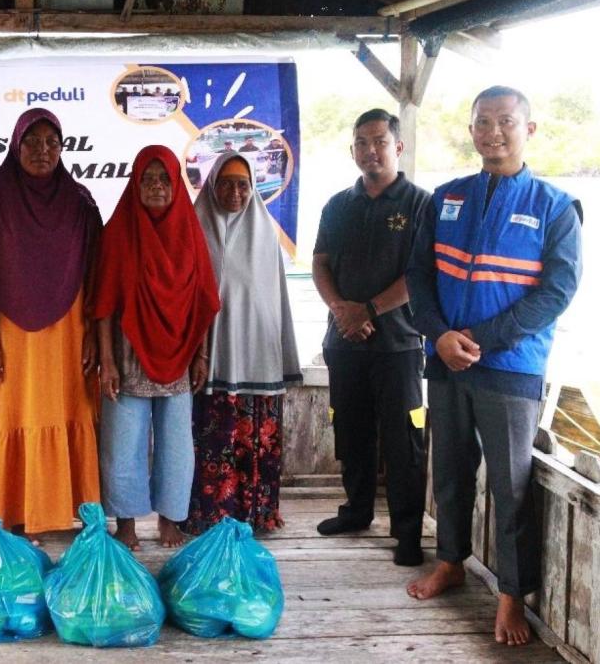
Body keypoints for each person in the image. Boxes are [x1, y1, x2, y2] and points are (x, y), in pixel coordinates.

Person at [405, 86, 582, 646]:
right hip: (448, 361)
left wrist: (476, 338)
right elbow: (418, 276)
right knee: (451, 474)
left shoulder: (555, 207)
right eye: (483, 121)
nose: (494, 132)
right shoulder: (445, 198)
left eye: (506, 121)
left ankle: (511, 596)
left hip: (511, 369)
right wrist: (439, 336)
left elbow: (557, 292)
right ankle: (451, 562)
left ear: (529, 130)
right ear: (472, 129)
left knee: (511, 487)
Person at [0, 108, 103, 544]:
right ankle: (13, 511)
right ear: (15, 145)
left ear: (63, 148)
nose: (42, 151)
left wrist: (93, 334)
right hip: (11, 334)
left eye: (52, 142)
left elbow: (94, 275)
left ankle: (70, 508)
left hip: (68, 333)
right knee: (17, 411)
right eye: (32, 141)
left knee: (69, 410)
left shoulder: (81, 203)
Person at [312, 108, 430, 567]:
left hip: (399, 344)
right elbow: (320, 262)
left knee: (404, 441)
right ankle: (356, 512)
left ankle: (407, 532)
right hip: (345, 341)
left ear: (397, 147)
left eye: (379, 141)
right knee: (351, 431)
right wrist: (342, 310)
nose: (370, 150)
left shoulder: (421, 203)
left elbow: (419, 273)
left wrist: (369, 310)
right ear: (352, 150)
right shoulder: (338, 204)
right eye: (361, 142)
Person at [94, 145, 220, 551]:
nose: (155, 187)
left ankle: (170, 520)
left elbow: (202, 300)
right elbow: (103, 305)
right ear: (135, 183)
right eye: (147, 179)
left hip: (180, 355)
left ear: (175, 184)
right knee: (122, 443)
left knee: (176, 444)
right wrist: (108, 363)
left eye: (163, 178)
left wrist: (200, 355)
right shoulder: (119, 231)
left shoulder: (189, 231)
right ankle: (126, 525)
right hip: (128, 356)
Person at [183, 152, 302, 535]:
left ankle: (256, 514)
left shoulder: (265, 232)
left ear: (253, 189)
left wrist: (283, 352)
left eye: (243, 185)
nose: (235, 192)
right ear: (211, 185)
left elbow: (276, 298)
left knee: (252, 434)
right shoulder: (192, 227)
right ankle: (208, 513)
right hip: (210, 356)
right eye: (226, 183)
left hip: (256, 355)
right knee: (210, 434)